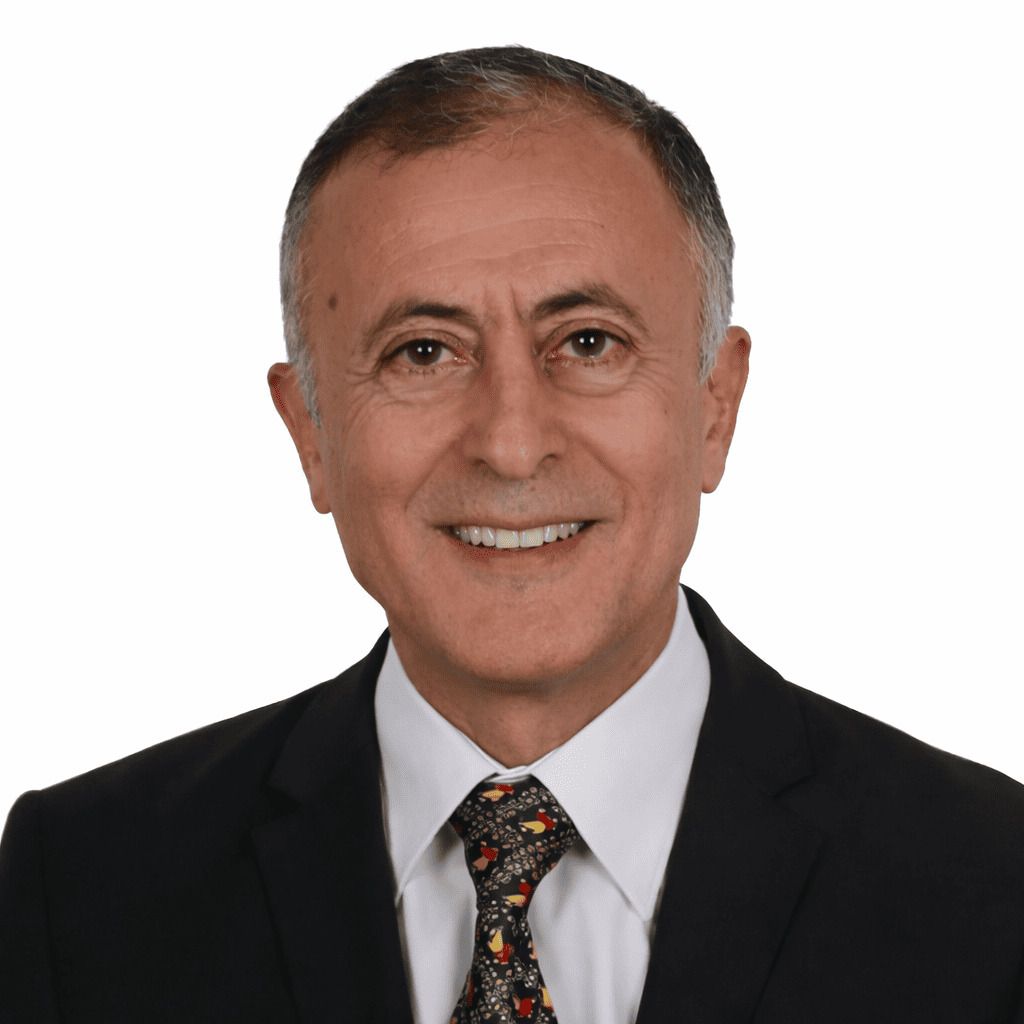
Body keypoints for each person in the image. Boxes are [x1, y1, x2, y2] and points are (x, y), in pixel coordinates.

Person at [1, 44, 1022, 1024]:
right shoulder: (78, 886)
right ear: (310, 431)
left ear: (715, 406)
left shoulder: (995, 884)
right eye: (423, 352)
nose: (511, 442)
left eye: (588, 342)